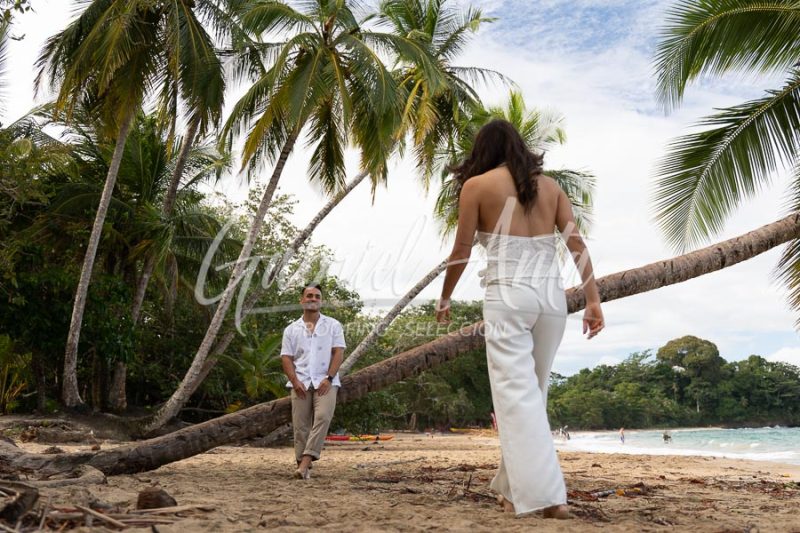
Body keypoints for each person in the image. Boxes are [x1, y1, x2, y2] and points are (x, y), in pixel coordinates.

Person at [435, 119, 604, 518]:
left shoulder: (476, 187)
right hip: (551, 299)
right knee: (532, 397)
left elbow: (461, 249)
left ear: (483, 152)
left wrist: (445, 296)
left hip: (509, 295)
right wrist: (593, 300)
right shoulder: (551, 188)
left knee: (517, 400)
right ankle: (513, 491)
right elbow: (576, 244)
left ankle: (550, 497)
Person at [281, 284, 346, 480]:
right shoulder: (292, 329)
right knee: (300, 426)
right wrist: (294, 380)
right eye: (309, 296)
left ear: (321, 301)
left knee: (323, 417)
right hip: (300, 382)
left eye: (317, 296)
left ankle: (305, 462)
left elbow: (338, 352)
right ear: (302, 300)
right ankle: (302, 468)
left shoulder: (333, 325)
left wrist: (329, 378)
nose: (313, 298)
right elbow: (286, 357)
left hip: (325, 382)